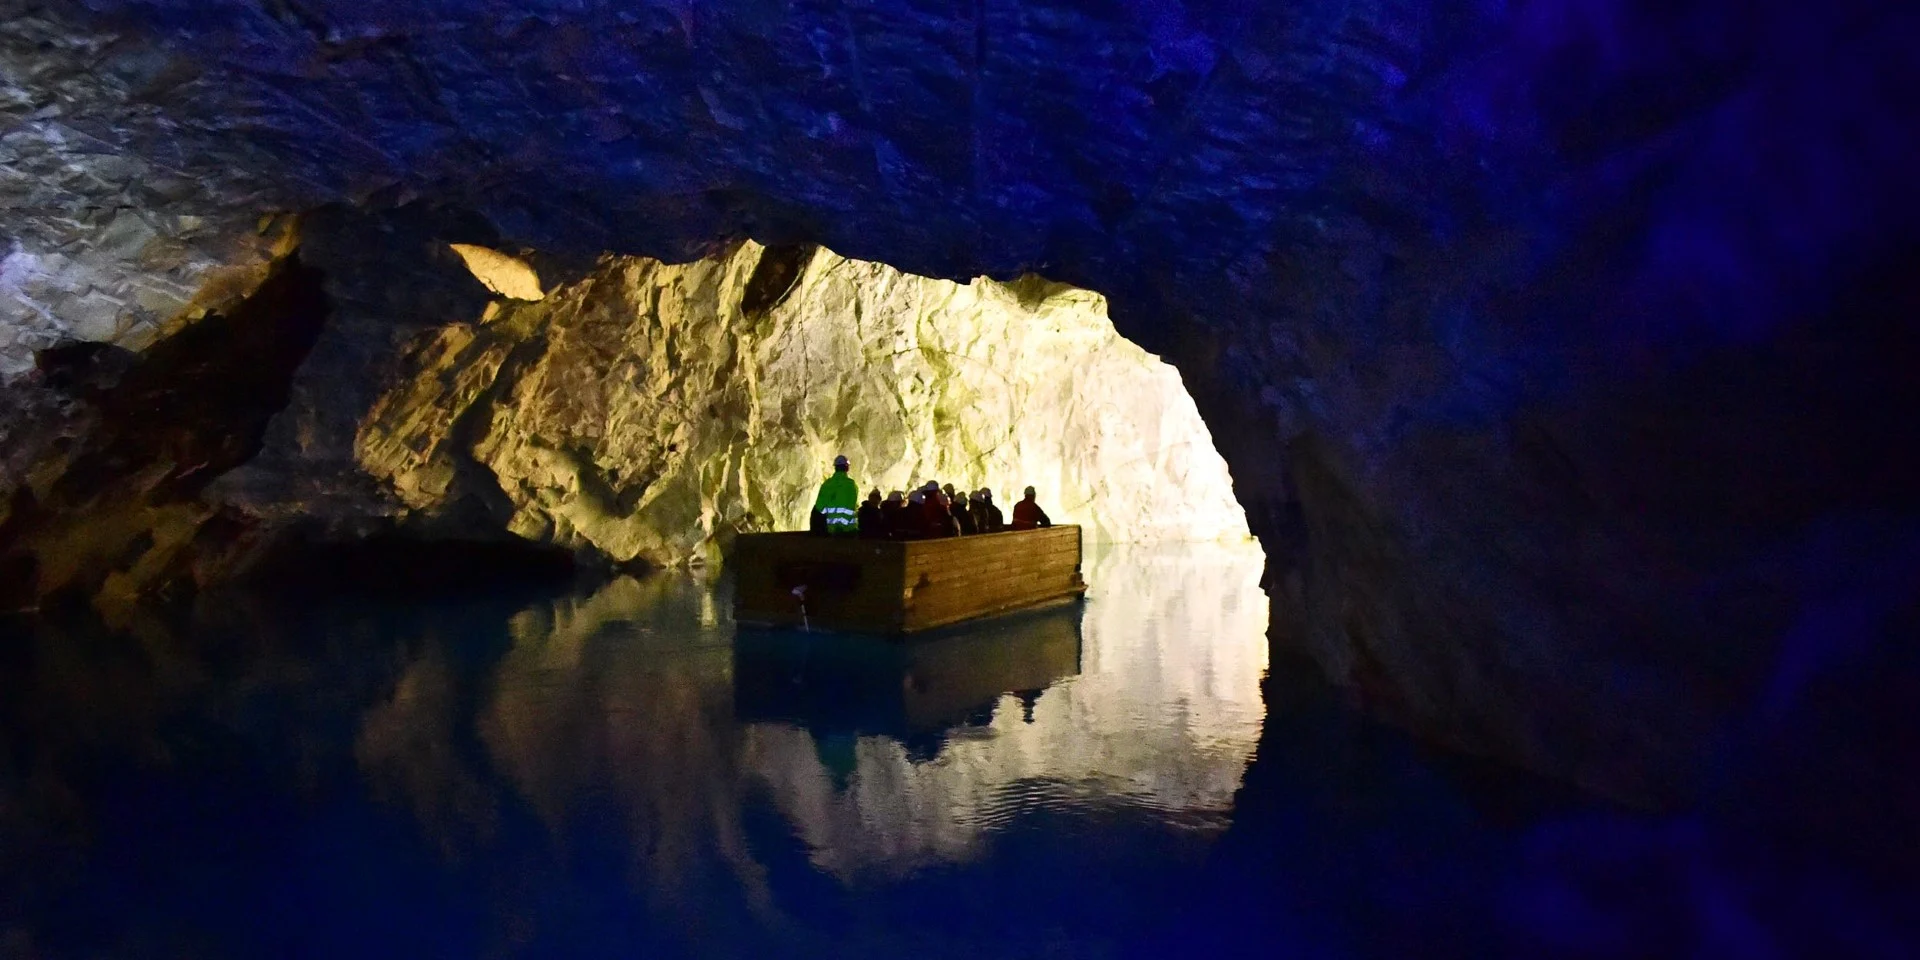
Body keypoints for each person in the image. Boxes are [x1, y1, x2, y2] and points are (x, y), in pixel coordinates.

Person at [812, 455, 860, 536]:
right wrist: (842, 524)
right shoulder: (851, 485)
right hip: (848, 530)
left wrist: (830, 516)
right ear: (847, 468)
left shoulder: (827, 484)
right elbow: (852, 507)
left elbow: (819, 507)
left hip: (831, 530)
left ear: (835, 468)